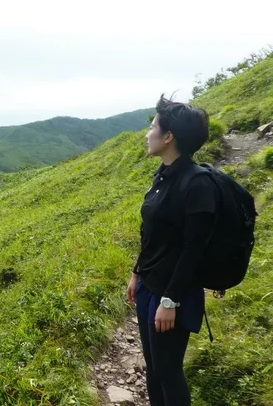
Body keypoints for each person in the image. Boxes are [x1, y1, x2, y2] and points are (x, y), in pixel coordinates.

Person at [126, 95, 218, 406]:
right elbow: (151, 233)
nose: (147, 133)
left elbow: (195, 249)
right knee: (153, 367)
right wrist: (136, 273)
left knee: (168, 370)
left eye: (153, 127)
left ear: (169, 137)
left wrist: (170, 299)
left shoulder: (198, 184)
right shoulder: (162, 176)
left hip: (173, 294)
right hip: (149, 287)